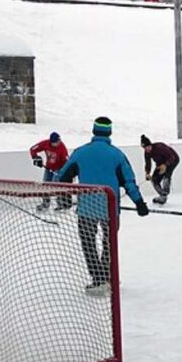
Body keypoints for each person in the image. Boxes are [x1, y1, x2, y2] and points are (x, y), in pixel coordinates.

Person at [57, 117, 150, 294]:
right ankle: (107, 276)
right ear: (110, 132)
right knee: (109, 243)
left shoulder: (80, 153)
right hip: (110, 208)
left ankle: (98, 278)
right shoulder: (117, 155)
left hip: (86, 208)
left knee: (88, 243)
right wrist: (139, 203)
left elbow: (63, 178)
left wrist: (65, 198)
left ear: (94, 131)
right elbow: (128, 181)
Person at [29, 131, 69, 210]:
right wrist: (36, 157)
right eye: (57, 142)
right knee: (45, 185)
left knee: (56, 186)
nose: (59, 142)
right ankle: (45, 203)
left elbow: (67, 162)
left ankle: (61, 203)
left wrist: (65, 172)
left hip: (59, 169)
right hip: (49, 168)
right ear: (52, 142)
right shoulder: (45, 143)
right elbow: (33, 149)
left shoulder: (62, 148)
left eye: (59, 140)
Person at [140, 135, 180, 205]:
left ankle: (165, 193)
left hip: (173, 160)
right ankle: (162, 195)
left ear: (151, 145)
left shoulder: (160, 147)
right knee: (154, 179)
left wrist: (165, 165)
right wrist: (147, 173)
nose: (147, 149)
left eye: (148, 147)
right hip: (160, 163)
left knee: (166, 176)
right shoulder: (147, 153)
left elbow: (172, 157)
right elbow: (148, 163)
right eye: (145, 148)